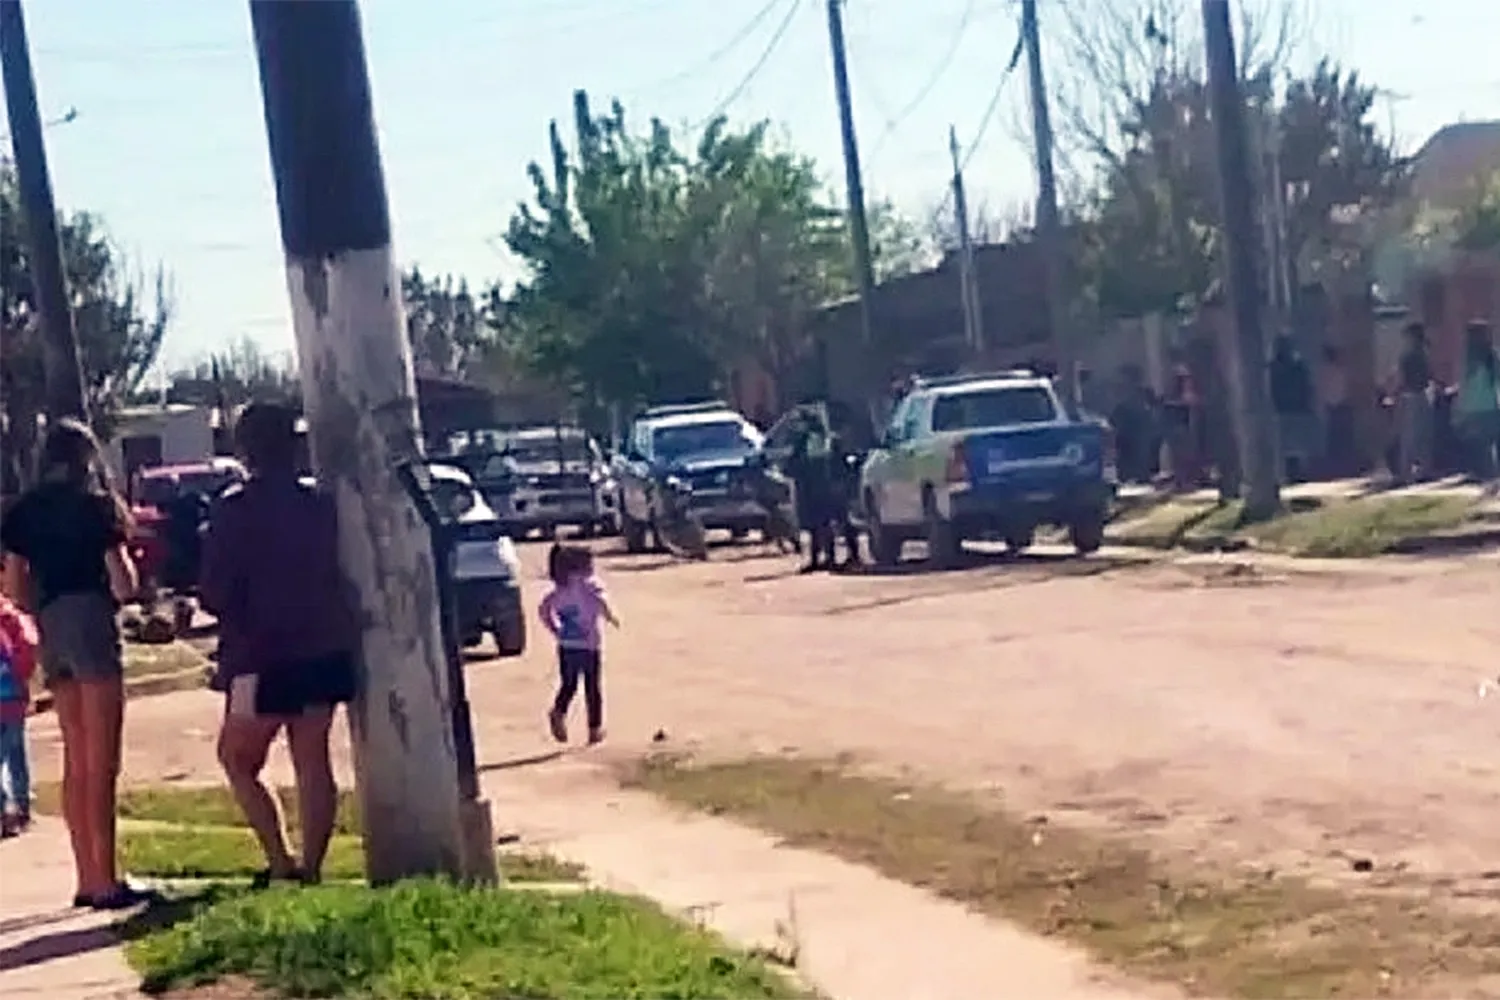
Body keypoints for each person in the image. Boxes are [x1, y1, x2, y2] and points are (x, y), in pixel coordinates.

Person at [201, 402, 358, 886]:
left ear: (245, 449)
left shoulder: (234, 509)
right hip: (325, 647)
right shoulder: (322, 505)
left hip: (259, 656)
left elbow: (216, 591)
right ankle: (311, 866)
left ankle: (279, 858)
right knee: (312, 758)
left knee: (238, 757)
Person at [0, 418, 150, 908]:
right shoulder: (97, 506)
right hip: (89, 616)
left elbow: (16, 588)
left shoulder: (25, 511)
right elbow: (123, 582)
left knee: (75, 756)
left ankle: (86, 874)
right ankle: (108, 880)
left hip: (51, 625)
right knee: (102, 759)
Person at [539, 544, 619, 745]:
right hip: (589, 645)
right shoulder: (590, 584)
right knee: (593, 687)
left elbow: (544, 608)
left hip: (567, 645)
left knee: (569, 684)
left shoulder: (560, 588)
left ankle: (559, 711)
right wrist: (611, 616)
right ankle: (594, 729)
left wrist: (555, 629)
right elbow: (601, 601)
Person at [0, 590, 38, 837]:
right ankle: (21, 807)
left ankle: (6, 811)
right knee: (16, 754)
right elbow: (31, 646)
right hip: (14, 697)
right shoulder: (12, 615)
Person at [786, 405, 837, 572]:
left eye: (799, 421)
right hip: (811, 487)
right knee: (814, 525)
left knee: (822, 524)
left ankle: (829, 557)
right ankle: (817, 558)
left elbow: (814, 463)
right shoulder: (806, 438)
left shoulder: (815, 438)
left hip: (817, 487)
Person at [1455, 319, 1500, 481]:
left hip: (1475, 406)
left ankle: (1486, 473)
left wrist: (1460, 404)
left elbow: (1465, 382)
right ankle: (1490, 474)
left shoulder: (1471, 357)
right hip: (1488, 404)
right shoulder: (1490, 355)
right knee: (1488, 441)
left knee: (1480, 442)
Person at [1268, 334, 1317, 483]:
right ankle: (1295, 473)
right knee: (1295, 444)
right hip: (1294, 408)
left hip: (1284, 408)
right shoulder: (1297, 366)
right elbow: (1307, 387)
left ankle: (1291, 473)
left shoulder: (1274, 367)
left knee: (1288, 444)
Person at [1393, 322, 1434, 483]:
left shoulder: (1412, 355)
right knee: (1418, 435)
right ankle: (1417, 470)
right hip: (1418, 394)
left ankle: (1412, 470)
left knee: (1414, 435)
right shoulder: (1419, 354)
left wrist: (1395, 393)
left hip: (1415, 394)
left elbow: (1401, 377)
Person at [1317, 345, 1354, 477]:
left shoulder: (1326, 373)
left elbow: (1324, 391)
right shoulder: (1341, 371)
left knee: (1334, 438)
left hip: (1333, 407)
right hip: (1342, 406)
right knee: (1342, 438)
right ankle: (1344, 465)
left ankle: (1336, 466)